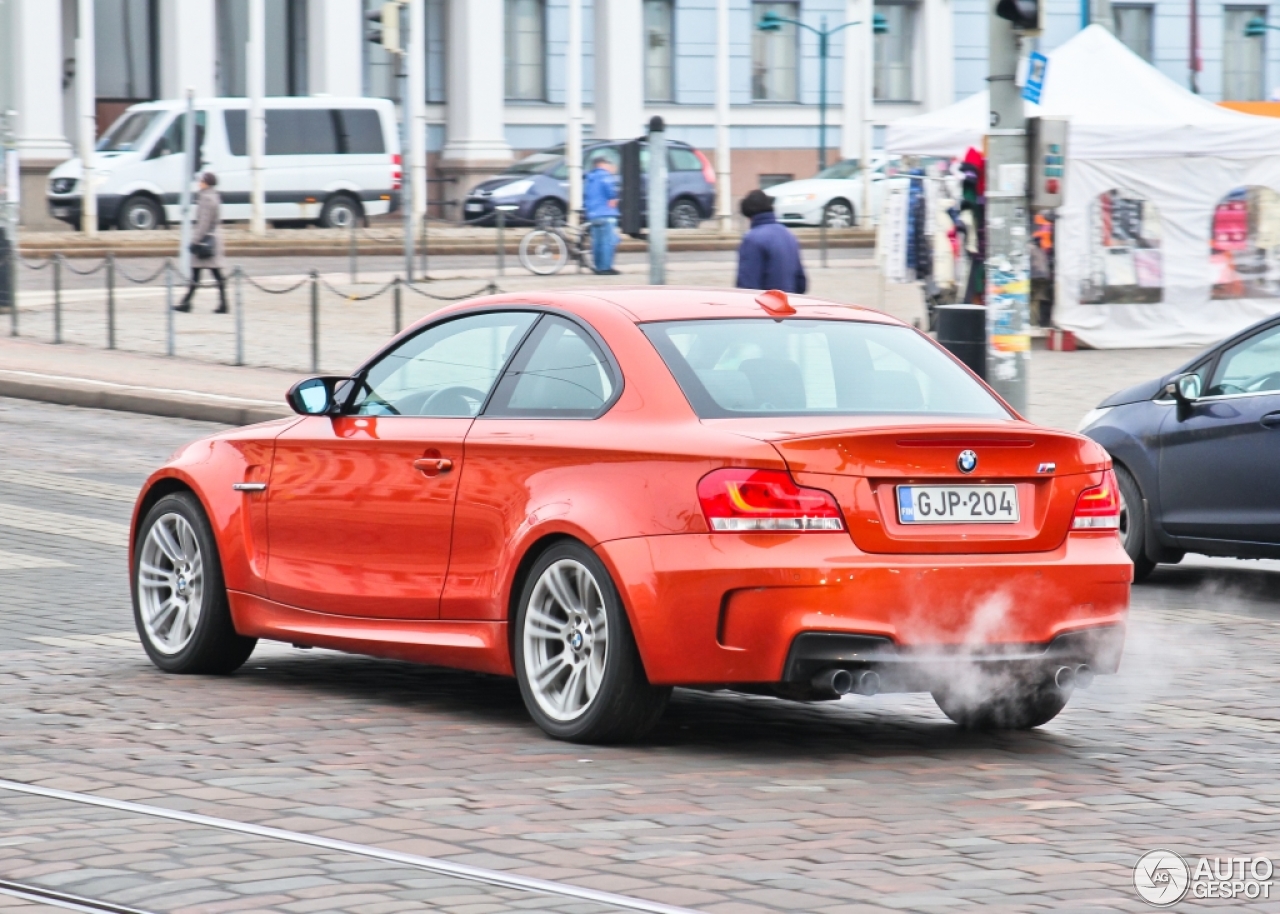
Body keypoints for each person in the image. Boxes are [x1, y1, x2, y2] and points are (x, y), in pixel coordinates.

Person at [735, 189, 807, 294]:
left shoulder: (752, 239)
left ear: (749, 216)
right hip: (788, 304)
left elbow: (747, 285)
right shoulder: (788, 235)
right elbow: (801, 282)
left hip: (765, 307)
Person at [176, 171, 227, 313]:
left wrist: (194, 241)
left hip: (205, 241)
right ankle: (222, 303)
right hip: (213, 238)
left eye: (201, 181)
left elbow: (203, 223)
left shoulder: (205, 199)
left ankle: (186, 303)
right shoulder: (214, 196)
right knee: (214, 273)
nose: (199, 183)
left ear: (206, 183)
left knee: (198, 273)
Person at [583, 154, 621, 275]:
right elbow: (611, 193)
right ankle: (605, 268)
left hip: (593, 215)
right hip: (606, 213)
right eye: (608, 164)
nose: (609, 166)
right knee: (608, 242)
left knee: (597, 242)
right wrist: (613, 198)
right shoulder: (605, 176)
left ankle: (598, 267)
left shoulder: (590, 178)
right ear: (602, 164)